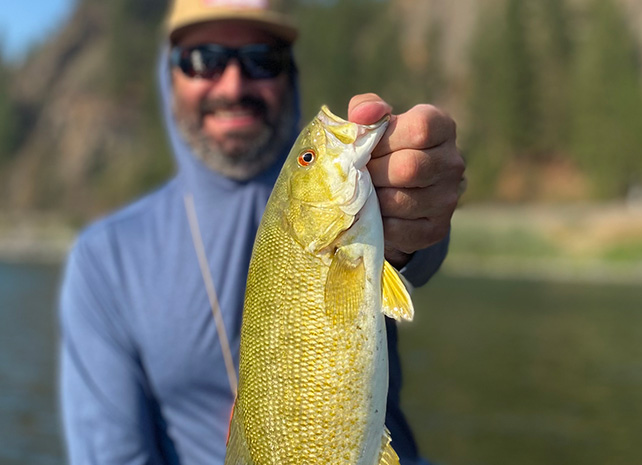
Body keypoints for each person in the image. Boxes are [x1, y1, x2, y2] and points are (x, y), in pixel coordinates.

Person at [58, 0, 465, 464]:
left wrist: (416, 210)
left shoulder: (364, 182)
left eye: (261, 59)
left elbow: (415, 251)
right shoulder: (103, 260)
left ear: (289, 76)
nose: (233, 83)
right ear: (167, 76)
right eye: (203, 59)